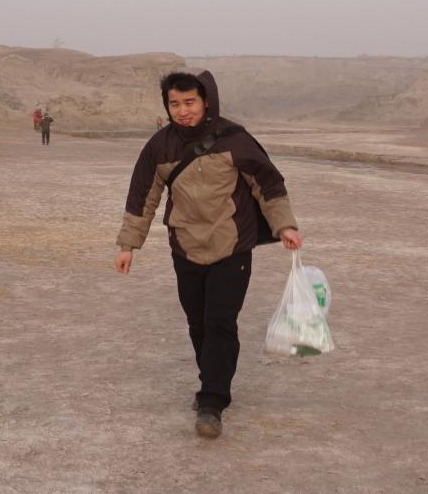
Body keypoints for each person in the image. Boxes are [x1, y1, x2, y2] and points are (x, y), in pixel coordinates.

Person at [114, 71, 303, 439]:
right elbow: (142, 196)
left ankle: (212, 401)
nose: (182, 110)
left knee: (220, 322)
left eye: (190, 102)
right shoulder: (159, 147)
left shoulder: (235, 140)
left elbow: (268, 185)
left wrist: (285, 226)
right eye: (175, 104)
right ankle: (212, 381)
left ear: (206, 102)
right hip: (185, 247)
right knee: (197, 323)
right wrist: (127, 246)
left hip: (232, 247)